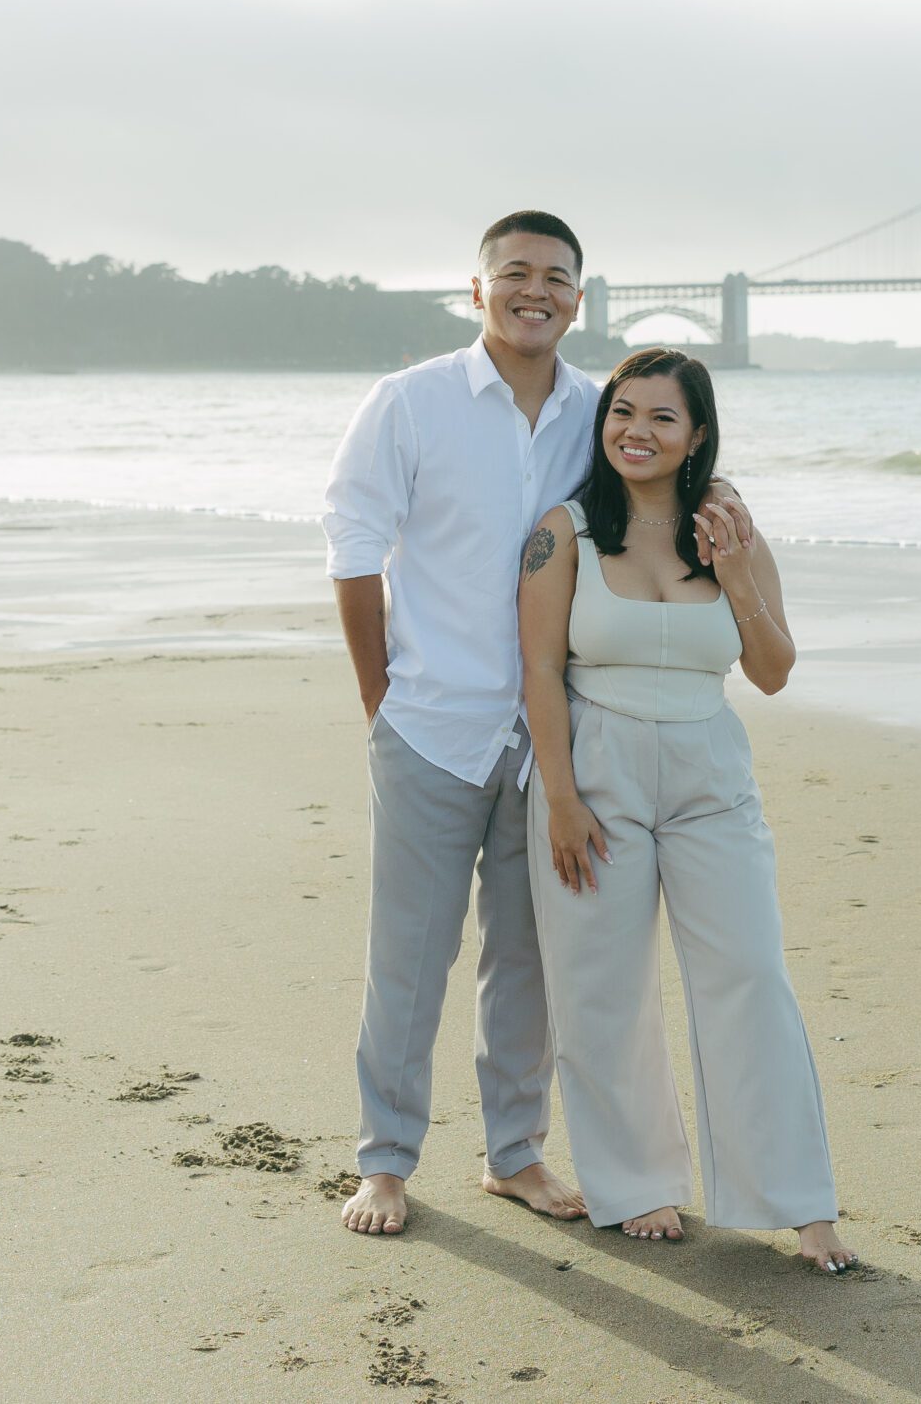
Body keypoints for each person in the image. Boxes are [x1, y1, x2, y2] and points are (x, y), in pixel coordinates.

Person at [320, 215, 753, 1237]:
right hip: (428, 723)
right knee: (409, 957)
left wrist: (727, 518)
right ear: (477, 292)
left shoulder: (593, 414)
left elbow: (660, 487)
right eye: (513, 272)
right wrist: (381, 703)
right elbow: (351, 552)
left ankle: (513, 1151)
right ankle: (385, 1158)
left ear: (578, 298)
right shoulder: (408, 402)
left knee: (527, 958)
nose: (534, 289)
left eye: (556, 277)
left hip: (552, 737)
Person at [516, 347, 854, 1272]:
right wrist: (560, 797)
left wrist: (735, 571)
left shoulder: (733, 527)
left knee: (748, 972)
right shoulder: (565, 530)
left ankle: (798, 1201)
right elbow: (540, 667)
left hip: (711, 774)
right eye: (623, 410)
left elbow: (774, 671)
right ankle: (637, 1185)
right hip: (596, 772)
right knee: (602, 985)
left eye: (662, 417)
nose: (637, 430)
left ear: (697, 433)